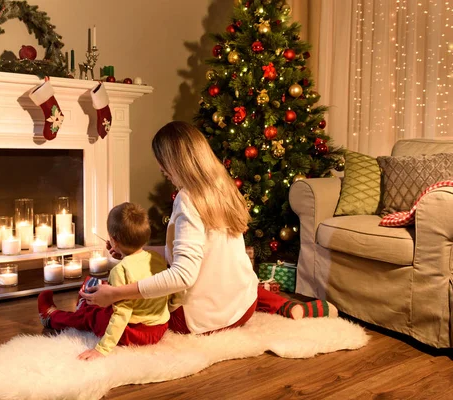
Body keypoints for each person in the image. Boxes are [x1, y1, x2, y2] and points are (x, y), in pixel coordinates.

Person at [80, 121, 337, 336]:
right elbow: (192, 251)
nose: (160, 168)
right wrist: (133, 249)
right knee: (242, 278)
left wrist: (114, 294)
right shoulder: (222, 188)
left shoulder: (188, 199)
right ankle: (290, 307)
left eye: (162, 161)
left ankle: (59, 315)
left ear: (175, 161)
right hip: (243, 306)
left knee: (117, 299)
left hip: (200, 321)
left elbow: (182, 276)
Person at [37, 202, 170, 361]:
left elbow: (121, 313)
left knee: (92, 315)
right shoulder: (157, 259)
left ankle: (52, 317)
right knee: (103, 290)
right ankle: (85, 303)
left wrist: (102, 349)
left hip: (133, 334)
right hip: (158, 329)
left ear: (113, 240)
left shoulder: (120, 271)